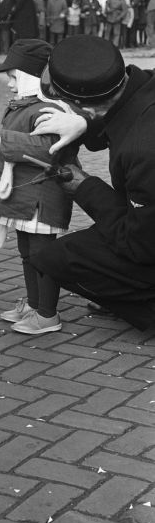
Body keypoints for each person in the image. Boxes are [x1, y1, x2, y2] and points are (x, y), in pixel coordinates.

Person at [30, 35, 155, 331]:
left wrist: (84, 187)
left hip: (148, 239)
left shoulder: (144, 149)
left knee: (56, 258)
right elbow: (123, 109)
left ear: (82, 106)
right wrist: (87, 125)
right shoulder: (144, 86)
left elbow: (140, 245)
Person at [0, 39, 80, 334]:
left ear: (31, 76)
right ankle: (37, 306)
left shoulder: (51, 109)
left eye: (14, 77)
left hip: (43, 196)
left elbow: (52, 147)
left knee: (43, 255)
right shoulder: (25, 105)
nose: (10, 85)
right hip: (28, 194)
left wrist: (7, 143)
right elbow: (22, 152)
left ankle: (48, 314)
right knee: (28, 252)